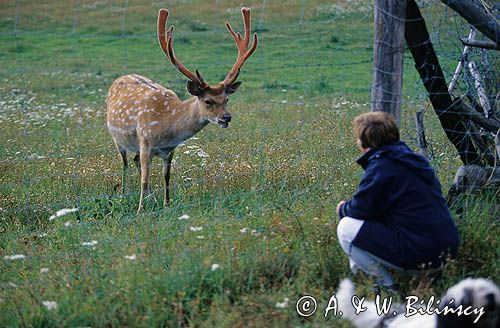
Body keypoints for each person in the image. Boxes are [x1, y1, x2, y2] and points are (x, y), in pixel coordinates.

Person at [336, 111, 459, 291]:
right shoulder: (412, 159)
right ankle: (365, 281)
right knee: (367, 223)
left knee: (346, 227)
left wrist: (342, 208)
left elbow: (360, 209)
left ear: (364, 142)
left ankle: (387, 288)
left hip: (422, 254)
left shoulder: (382, 166)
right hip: (447, 249)